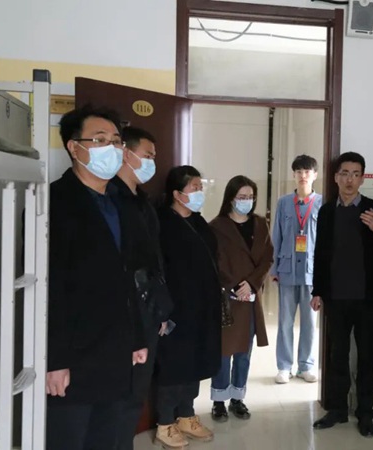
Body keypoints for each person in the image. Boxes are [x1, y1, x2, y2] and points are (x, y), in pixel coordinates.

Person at [46, 105, 148, 449]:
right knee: (71, 438)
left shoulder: (121, 202)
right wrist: (55, 360)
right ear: (74, 148)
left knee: (108, 437)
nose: (112, 148)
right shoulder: (54, 203)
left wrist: (137, 337)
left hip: (115, 350)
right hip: (73, 356)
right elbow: (51, 288)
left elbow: (130, 276)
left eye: (116, 141)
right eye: (100, 140)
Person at [310, 151, 373, 438]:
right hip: (335, 297)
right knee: (337, 355)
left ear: (362, 178)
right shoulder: (327, 211)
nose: (349, 179)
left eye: (355, 174)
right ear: (336, 177)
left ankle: (365, 413)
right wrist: (317, 291)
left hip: (366, 298)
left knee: (367, 357)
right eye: (344, 173)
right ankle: (337, 409)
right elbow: (320, 254)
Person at [112, 127, 173, 450]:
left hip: (148, 309)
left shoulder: (141, 201)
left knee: (136, 392)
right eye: (147, 156)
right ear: (126, 153)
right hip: (125, 312)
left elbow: (153, 260)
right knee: (120, 395)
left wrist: (160, 309)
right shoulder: (111, 199)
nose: (151, 163)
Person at [154, 166, 221, 448]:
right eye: (195, 187)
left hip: (200, 307)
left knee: (194, 362)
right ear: (177, 194)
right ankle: (165, 423)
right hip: (175, 309)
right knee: (173, 365)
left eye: (200, 187)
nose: (200, 192)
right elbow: (157, 269)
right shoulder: (162, 223)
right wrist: (162, 310)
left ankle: (186, 415)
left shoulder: (198, 221)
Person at [209, 176, 273, 422]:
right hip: (227, 298)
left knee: (244, 352)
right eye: (242, 197)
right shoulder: (217, 227)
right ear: (231, 198)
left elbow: (267, 258)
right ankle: (219, 401)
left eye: (251, 197)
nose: (247, 201)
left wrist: (252, 283)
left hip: (251, 298)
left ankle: (237, 398)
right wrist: (235, 285)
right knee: (224, 352)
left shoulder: (260, 224)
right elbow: (215, 261)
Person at [270, 155, 323, 384]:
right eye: (299, 171)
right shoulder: (283, 203)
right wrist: (274, 268)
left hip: (312, 272)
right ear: (293, 175)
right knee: (285, 322)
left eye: (307, 171)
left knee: (310, 322)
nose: (303, 176)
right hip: (287, 269)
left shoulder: (322, 203)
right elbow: (276, 236)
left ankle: (306, 365)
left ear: (315, 175)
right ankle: (284, 366)